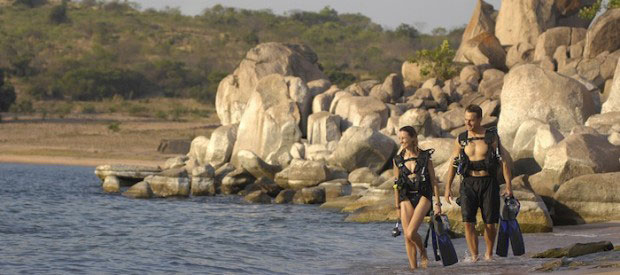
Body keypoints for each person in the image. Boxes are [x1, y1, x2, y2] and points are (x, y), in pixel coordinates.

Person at [443, 104, 513, 262]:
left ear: (480, 119)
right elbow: (453, 164)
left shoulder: (491, 137)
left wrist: (509, 186)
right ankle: (474, 256)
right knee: (468, 221)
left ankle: (489, 255)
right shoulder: (461, 139)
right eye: (466, 120)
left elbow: (503, 162)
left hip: (489, 182)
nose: (468, 123)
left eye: (471, 120)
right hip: (468, 183)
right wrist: (447, 187)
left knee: (490, 223)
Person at [393, 126, 442, 270]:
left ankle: (423, 251)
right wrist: (397, 206)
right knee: (407, 238)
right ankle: (413, 269)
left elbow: (433, 181)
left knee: (411, 232)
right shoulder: (398, 160)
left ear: (413, 138)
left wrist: (438, 203)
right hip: (405, 197)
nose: (401, 141)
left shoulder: (425, 157)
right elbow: (396, 184)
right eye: (399, 138)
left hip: (423, 195)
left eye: (403, 138)